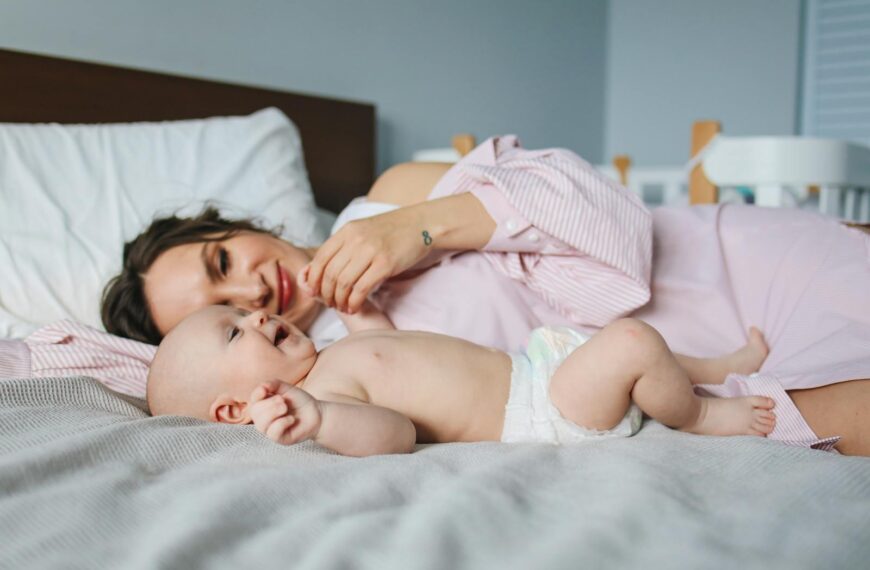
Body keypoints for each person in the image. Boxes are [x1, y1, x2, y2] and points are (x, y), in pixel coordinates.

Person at [103, 136, 870, 455]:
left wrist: (421, 229)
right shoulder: (335, 371)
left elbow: (606, 217)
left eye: (223, 260)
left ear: (242, 226)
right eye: (218, 317)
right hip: (655, 378)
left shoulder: (389, 199)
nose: (251, 292)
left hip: (708, 270)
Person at [147, 303, 776, 456]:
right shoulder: (322, 396)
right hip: (543, 413)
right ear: (232, 411)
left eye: (240, 310)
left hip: (535, 365)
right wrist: (318, 420)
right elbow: (394, 433)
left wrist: (358, 303)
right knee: (632, 342)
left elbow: (386, 343)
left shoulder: (335, 352)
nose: (255, 313)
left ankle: (718, 368)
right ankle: (699, 414)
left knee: (617, 338)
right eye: (234, 332)